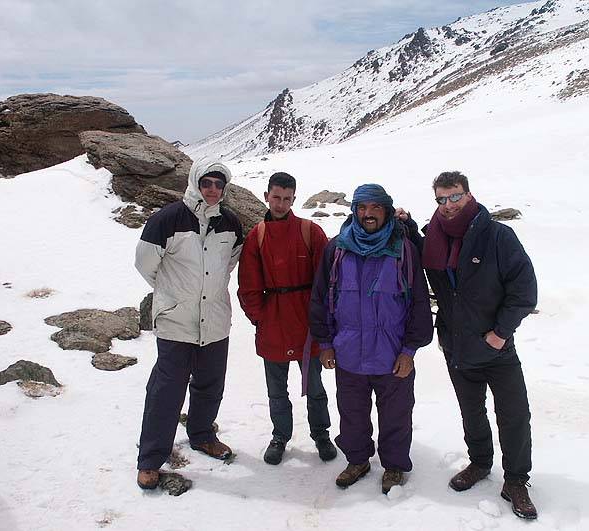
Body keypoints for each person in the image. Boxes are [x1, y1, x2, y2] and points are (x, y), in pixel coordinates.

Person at [416, 170, 538, 519]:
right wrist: (407, 225)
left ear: (469, 195)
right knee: (472, 412)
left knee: (514, 416)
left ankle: (515, 480)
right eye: (441, 199)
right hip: (456, 347)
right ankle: (480, 463)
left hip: (497, 348)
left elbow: (524, 291)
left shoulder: (498, 236)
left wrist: (500, 332)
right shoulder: (434, 238)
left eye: (455, 197)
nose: (448, 205)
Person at [309, 183, 433, 495]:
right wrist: (324, 344)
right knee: (351, 413)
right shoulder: (337, 248)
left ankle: (393, 465)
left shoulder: (403, 250)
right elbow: (321, 298)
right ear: (354, 210)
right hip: (348, 352)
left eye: (375, 208)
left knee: (396, 414)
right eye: (362, 207)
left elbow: (419, 301)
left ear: (387, 211)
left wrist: (410, 349)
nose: (368, 214)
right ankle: (357, 460)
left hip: (392, 354)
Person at [134, 158, 244, 490]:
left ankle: (201, 435)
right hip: (176, 321)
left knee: (210, 385)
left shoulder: (230, 223)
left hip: (214, 321)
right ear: (196, 182)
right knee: (166, 391)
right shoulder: (166, 219)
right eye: (207, 183)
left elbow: (230, 263)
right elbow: (145, 265)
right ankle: (151, 459)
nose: (212, 190)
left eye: (218, 185)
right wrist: (175, 294)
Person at [237, 172, 337, 465]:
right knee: (276, 390)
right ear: (266, 195)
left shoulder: (310, 231)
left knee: (316, 387)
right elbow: (249, 286)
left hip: (308, 325)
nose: (281, 204)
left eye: (287, 198)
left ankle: (321, 434)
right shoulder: (257, 236)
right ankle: (280, 436)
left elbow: (328, 281)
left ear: (294, 199)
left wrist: (323, 321)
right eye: (276, 197)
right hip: (274, 325)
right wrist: (261, 319)